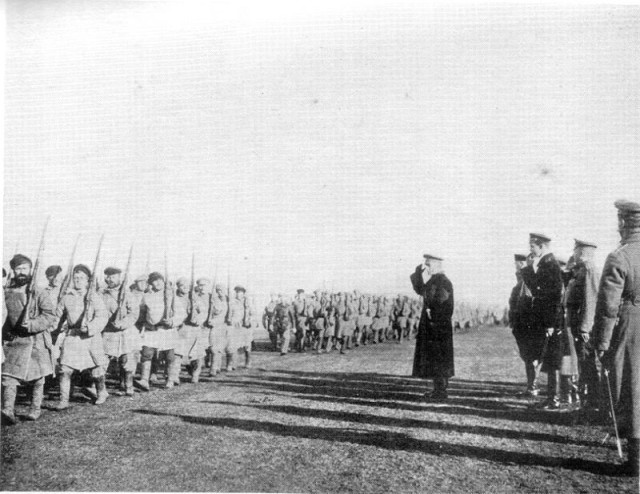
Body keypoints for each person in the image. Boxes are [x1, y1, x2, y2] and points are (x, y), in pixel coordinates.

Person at [591, 199, 640, 476]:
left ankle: (635, 464)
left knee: (633, 392)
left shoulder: (619, 256)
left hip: (631, 328)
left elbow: (608, 308)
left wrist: (601, 343)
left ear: (623, 222)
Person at [2, 254, 57, 423]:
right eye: (18, 269)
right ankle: (7, 410)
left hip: (36, 341)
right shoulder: (7, 291)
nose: (21, 272)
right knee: (8, 376)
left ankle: (35, 409)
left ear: (31, 270)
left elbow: (49, 315)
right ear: (13, 271)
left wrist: (33, 324)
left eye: (25, 268)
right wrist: (6, 332)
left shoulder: (39, 292)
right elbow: (3, 315)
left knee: (38, 378)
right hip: (15, 340)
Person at [55, 264, 109, 410]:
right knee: (65, 369)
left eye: (81, 278)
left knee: (96, 369)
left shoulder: (94, 297)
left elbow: (103, 316)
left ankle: (101, 392)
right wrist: (53, 328)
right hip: (72, 337)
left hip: (90, 338)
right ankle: (64, 399)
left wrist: (90, 327)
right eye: (76, 277)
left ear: (87, 280)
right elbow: (57, 316)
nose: (78, 280)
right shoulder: (67, 297)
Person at [519, 233, 564, 409]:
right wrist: (528, 268)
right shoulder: (546, 264)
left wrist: (550, 323)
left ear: (541, 246)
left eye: (532, 246)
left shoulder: (550, 265)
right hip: (548, 320)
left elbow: (553, 297)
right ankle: (551, 397)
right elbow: (537, 289)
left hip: (550, 322)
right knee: (550, 361)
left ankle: (554, 399)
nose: (530, 250)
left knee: (553, 361)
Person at [411, 254, 454, 401]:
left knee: (439, 358)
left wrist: (432, 313)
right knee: (436, 358)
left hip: (438, 326)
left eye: (428, 265)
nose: (427, 268)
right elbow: (421, 290)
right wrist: (418, 273)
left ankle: (441, 391)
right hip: (434, 325)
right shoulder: (435, 280)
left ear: (436, 265)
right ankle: (439, 389)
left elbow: (443, 303)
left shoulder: (442, 281)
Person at [564, 239, 600, 411]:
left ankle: (593, 403)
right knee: (584, 365)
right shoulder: (583, 271)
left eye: (576, 250)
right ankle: (589, 402)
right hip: (579, 326)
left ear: (583, 252)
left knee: (587, 365)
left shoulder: (589, 270)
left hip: (585, 328)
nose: (574, 253)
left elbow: (590, 300)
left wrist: (585, 327)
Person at [101, 267, 141, 396]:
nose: (109, 279)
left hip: (126, 331)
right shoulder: (101, 294)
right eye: (107, 276)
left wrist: (123, 323)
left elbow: (133, 313)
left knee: (127, 359)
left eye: (113, 276)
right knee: (103, 359)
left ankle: (128, 385)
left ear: (119, 277)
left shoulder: (128, 294)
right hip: (108, 332)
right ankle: (101, 389)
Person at [137, 272, 178, 391]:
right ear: (151, 283)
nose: (158, 282)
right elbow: (142, 312)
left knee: (169, 356)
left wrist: (172, 321)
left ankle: (170, 379)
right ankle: (144, 379)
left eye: (160, 279)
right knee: (146, 354)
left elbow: (180, 313)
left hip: (166, 330)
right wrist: (144, 323)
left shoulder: (170, 295)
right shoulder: (147, 297)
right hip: (152, 330)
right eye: (155, 281)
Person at [509, 253, 538, 396]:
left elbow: (526, 301)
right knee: (527, 356)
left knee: (530, 356)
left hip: (527, 325)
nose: (516, 268)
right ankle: (531, 385)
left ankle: (533, 386)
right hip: (521, 325)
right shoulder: (520, 282)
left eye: (518, 265)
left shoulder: (527, 282)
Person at [206, 284, 228, 376]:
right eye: (218, 290)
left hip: (223, 326)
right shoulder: (214, 301)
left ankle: (216, 367)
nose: (220, 292)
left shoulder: (229, 301)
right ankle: (213, 368)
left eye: (222, 290)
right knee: (213, 348)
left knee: (219, 348)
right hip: (214, 327)